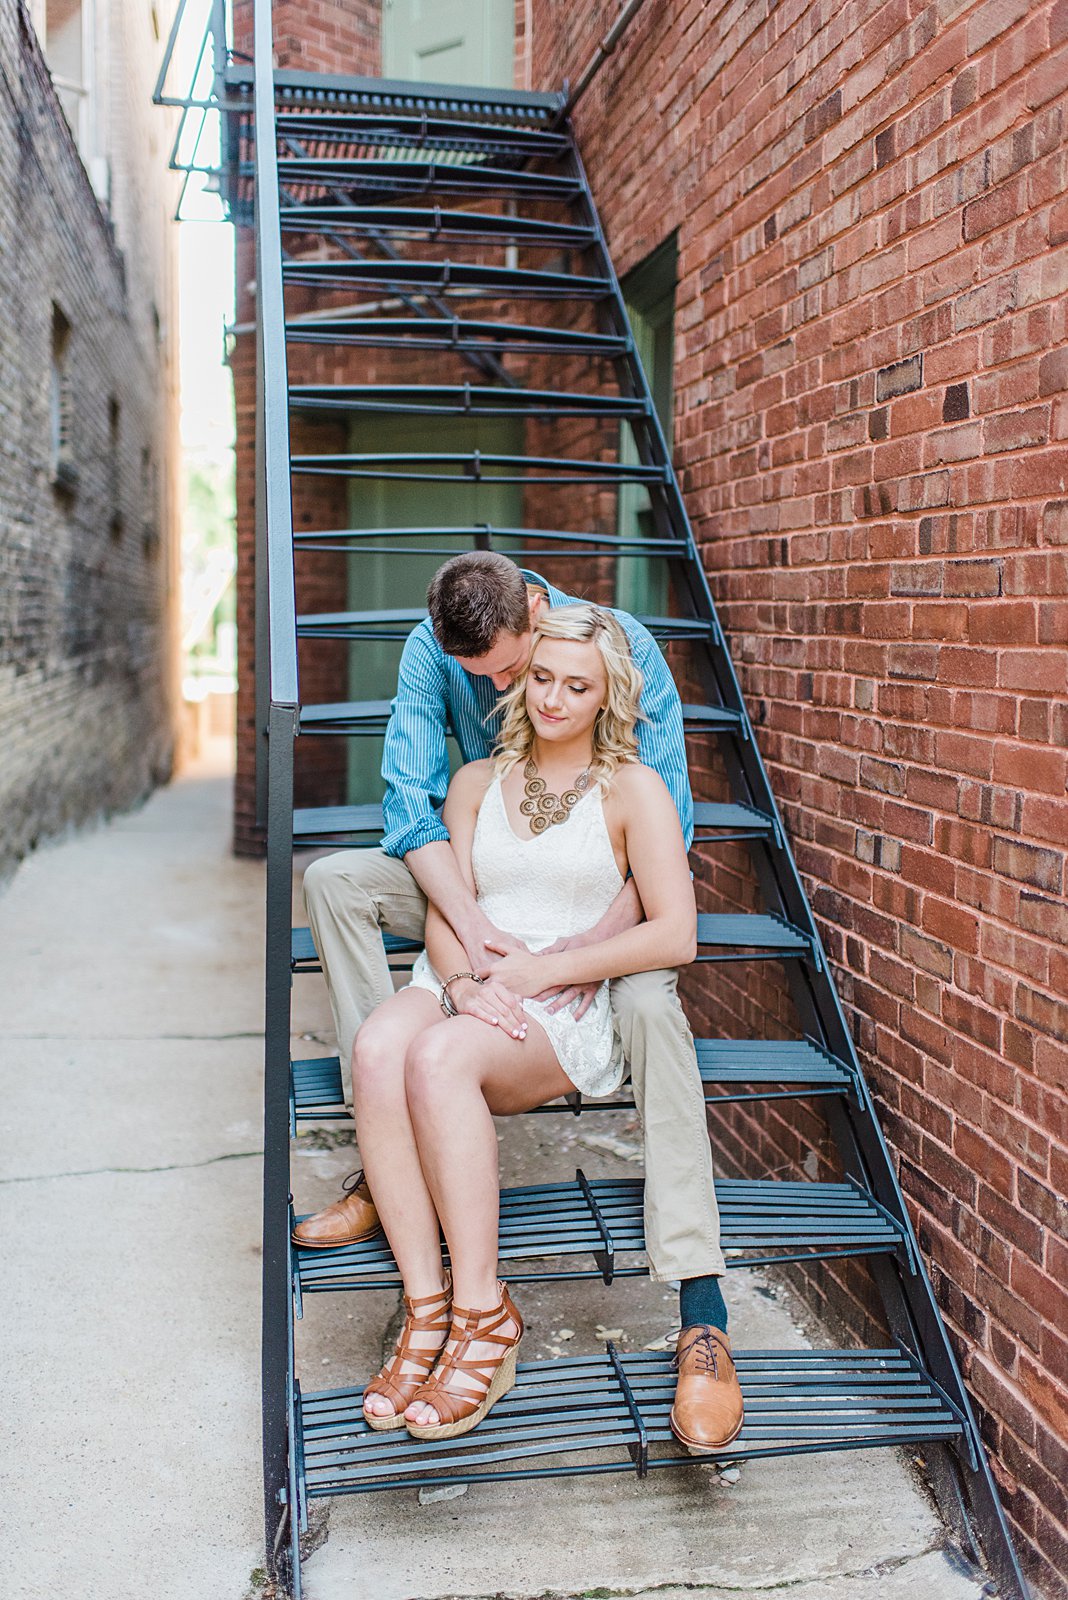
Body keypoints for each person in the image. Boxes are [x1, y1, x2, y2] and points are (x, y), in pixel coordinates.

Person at [298, 552, 742, 1448]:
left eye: (540, 674)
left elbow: (668, 875)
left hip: (599, 918)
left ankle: (699, 1304)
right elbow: (417, 820)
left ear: (539, 615)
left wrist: (574, 958)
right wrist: (467, 966)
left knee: (650, 1008)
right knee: (366, 973)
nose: (527, 693)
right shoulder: (452, 694)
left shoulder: (625, 668)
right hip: (480, 928)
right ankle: (419, 1263)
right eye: (514, 681)